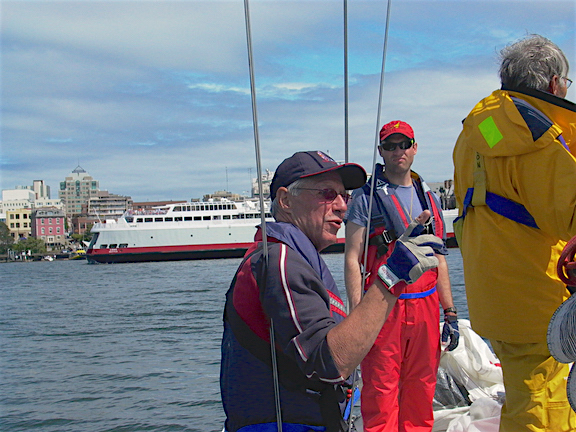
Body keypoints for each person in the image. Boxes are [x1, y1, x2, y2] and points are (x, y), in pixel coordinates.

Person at [220, 150, 445, 432]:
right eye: (327, 194)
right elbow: (331, 363)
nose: (341, 206)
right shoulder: (281, 262)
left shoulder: (294, 257)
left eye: (345, 197)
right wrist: (391, 278)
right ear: (286, 200)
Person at [452, 34, 576, 432]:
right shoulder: (537, 140)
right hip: (542, 305)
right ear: (554, 85)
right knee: (546, 409)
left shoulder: (478, 132)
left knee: (523, 399)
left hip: (496, 302)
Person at [344, 120, 459, 432]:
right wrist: (358, 317)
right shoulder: (365, 200)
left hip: (425, 309)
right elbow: (353, 259)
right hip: (383, 309)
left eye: (404, 144)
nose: (398, 151)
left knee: (421, 393)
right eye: (390, 146)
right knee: (380, 395)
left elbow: (440, 260)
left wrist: (450, 313)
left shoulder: (430, 199)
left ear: (415, 147)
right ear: (381, 151)